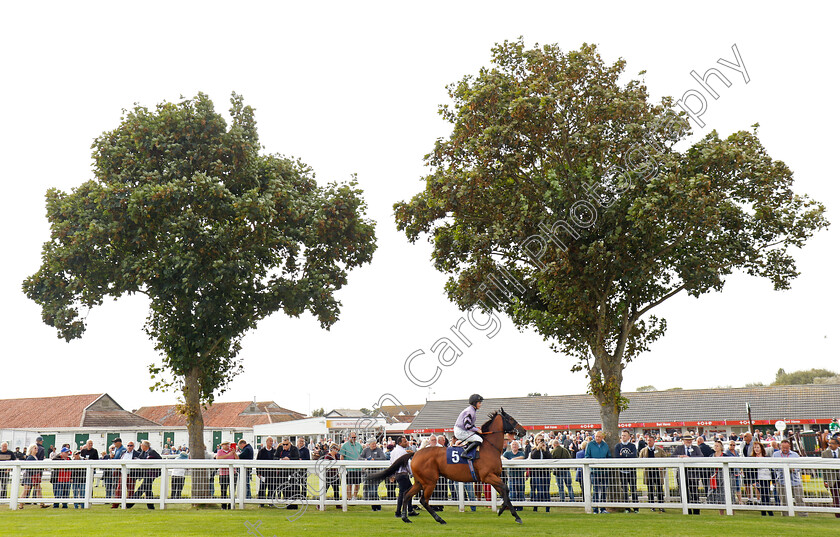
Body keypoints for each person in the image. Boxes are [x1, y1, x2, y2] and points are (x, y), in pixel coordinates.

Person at [773, 438, 806, 516]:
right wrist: (783, 468)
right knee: (784, 500)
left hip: (795, 481)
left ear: (790, 447)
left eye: (787, 448)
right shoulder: (776, 455)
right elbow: (774, 467)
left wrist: (793, 469)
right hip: (782, 480)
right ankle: (785, 515)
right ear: (780, 447)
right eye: (783, 448)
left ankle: (803, 515)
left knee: (799, 499)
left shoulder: (795, 455)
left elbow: (799, 467)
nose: (785, 449)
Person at [672, 434, 703, 515]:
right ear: (683, 441)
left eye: (690, 440)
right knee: (684, 492)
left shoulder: (696, 448)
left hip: (693, 474)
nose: (689, 441)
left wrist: (690, 459)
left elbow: (701, 456)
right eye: (687, 440)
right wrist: (680, 457)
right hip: (682, 474)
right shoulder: (679, 448)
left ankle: (696, 511)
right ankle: (687, 511)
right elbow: (672, 456)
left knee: (695, 493)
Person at [391, 436, 418, 518]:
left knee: (408, 491)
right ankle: (399, 512)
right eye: (405, 442)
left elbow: (391, 462)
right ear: (400, 443)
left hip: (398, 474)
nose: (407, 443)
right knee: (403, 493)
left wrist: (392, 474)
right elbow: (407, 465)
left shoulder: (394, 451)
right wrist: (412, 473)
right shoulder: (402, 452)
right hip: (403, 474)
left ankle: (409, 509)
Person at [638, 433, 666, 512]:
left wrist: (662, 466)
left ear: (654, 441)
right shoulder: (643, 451)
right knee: (650, 489)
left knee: (659, 489)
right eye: (647, 440)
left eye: (650, 440)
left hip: (657, 472)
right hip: (648, 472)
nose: (649, 442)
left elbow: (665, 459)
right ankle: (652, 505)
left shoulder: (660, 450)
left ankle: (661, 505)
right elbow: (639, 460)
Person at [585, 431, 611, 514]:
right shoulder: (590, 444)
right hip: (594, 471)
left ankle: (603, 508)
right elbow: (587, 456)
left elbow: (608, 456)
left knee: (604, 489)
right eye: (596, 436)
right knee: (596, 489)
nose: (597, 438)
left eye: (599, 437)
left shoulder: (605, 445)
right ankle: (595, 509)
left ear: (602, 437)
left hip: (604, 471)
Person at [615, 430, 639, 513]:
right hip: (622, 472)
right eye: (622, 435)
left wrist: (624, 455)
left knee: (633, 489)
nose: (623, 437)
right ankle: (627, 508)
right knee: (624, 490)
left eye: (625, 435)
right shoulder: (618, 446)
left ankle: (636, 508)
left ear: (629, 437)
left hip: (631, 471)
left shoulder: (632, 446)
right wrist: (628, 456)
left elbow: (634, 455)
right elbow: (617, 456)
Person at [454, 394, 484, 460]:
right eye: (479, 403)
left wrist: (477, 429)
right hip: (461, 431)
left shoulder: (472, 410)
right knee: (479, 440)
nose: (480, 404)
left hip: (462, 430)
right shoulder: (470, 411)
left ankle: (468, 448)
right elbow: (467, 426)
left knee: (477, 436)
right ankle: (465, 453)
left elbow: (470, 425)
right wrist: (477, 430)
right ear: (474, 403)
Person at [361, 438, 387, 511]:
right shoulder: (365, 450)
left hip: (376, 472)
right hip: (368, 473)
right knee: (368, 489)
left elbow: (383, 458)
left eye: (375, 443)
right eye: (372, 444)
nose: (374, 445)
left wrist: (374, 460)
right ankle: (374, 506)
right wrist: (366, 460)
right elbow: (360, 458)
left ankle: (377, 506)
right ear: (369, 444)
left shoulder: (379, 450)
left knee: (374, 489)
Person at [749, 440, 774, 516]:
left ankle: (766, 512)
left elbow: (771, 469)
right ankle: (767, 512)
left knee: (766, 494)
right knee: (763, 494)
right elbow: (751, 471)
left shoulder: (767, 458)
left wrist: (773, 480)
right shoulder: (752, 458)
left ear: (761, 448)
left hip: (767, 478)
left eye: (757, 447)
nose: (756, 449)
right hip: (759, 478)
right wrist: (753, 481)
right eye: (755, 447)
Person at [274, 437, 300, 509]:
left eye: (286, 444)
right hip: (282, 471)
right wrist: (281, 459)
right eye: (283, 444)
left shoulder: (294, 449)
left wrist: (289, 459)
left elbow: (297, 458)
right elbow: (274, 457)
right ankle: (287, 502)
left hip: (292, 471)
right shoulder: (279, 449)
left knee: (293, 487)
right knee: (283, 486)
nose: (285, 446)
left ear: (289, 444)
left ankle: (294, 504)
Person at [528, 434, 551, 512]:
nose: (540, 441)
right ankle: (535, 507)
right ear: (535, 441)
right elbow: (533, 456)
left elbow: (550, 458)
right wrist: (538, 448)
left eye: (541, 440)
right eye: (538, 440)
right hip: (536, 473)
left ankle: (547, 508)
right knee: (538, 490)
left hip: (545, 473)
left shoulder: (546, 449)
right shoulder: (533, 449)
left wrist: (545, 450)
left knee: (546, 490)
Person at [136, 440, 161, 509]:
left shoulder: (152, 452)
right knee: (148, 489)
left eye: (141, 445)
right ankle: (151, 506)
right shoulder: (143, 452)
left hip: (151, 473)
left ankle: (129, 503)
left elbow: (160, 459)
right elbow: (140, 458)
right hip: (146, 473)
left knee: (142, 488)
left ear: (144, 446)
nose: (140, 446)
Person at [338, 433, 363, 500]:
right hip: (349, 469)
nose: (354, 439)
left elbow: (361, 456)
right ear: (349, 437)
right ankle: (349, 498)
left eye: (355, 437)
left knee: (357, 484)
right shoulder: (345, 446)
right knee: (349, 484)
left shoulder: (359, 445)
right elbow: (342, 456)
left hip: (358, 468)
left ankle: (354, 497)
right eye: (352, 437)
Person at [503, 440, 526, 509]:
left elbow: (522, 457)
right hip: (511, 476)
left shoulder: (521, 453)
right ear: (511, 446)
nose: (514, 446)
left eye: (516, 445)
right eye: (513, 445)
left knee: (520, 491)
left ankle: (520, 507)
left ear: (518, 446)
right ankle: (513, 506)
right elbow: (502, 457)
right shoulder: (507, 453)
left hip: (520, 476)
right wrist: (508, 461)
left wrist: (512, 460)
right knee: (512, 492)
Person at [821, 437, 840, 518]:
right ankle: (837, 514)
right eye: (829, 443)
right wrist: (825, 480)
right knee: (835, 496)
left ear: (837, 444)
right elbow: (824, 469)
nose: (830, 445)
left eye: (832, 443)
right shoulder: (825, 453)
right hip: (831, 478)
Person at [256, 436, 277, 507]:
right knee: (262, 488)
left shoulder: (274, 451)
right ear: (266, 442)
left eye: (272, 441)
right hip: (264, 473)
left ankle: (271, 502)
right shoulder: (261, 451)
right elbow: (258, 462)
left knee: (272, 488)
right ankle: (261, 502)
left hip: (272, 473)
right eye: (270, 441)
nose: (271, 443)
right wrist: (258, 473)